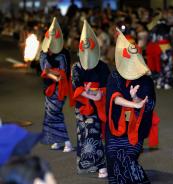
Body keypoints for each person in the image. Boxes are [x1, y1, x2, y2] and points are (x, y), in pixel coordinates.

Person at [105, 28, 156, 184]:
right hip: (116, 127)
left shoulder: (146, 80)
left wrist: (136, 98)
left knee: (127, 157)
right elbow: (114, 99)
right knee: (113, 157)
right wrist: (133, 103)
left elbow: (149, 104)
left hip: (136, 127)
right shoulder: (114, 75)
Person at [71, 20, 109, 177]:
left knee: (95, 132)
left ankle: (101, 165)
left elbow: (108, 86)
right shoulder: (76, 67)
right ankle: (94, 162)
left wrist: (100, 93)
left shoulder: (103, 66)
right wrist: (88, 93)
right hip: (83, 104)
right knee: (84, 133)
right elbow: (76, 87)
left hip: (98, 103)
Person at [39, 17, 73, 152]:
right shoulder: (43, 53)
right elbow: (44, 70)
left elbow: (63, 73)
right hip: (48, 86)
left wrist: (50, 72)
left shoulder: (63, 54)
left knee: (55, 113)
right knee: (49, 113)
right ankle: (57, 140)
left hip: (60, 87)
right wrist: (52, 73)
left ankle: (67, 142)